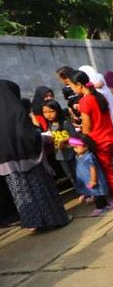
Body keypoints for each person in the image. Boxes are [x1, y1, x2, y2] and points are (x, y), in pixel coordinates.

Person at [0, 80, 70, 230]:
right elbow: (28, 137)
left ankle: (34, 223)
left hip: (7, 164)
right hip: (28, 159)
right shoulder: (17, 111)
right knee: (40, 190)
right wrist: (43, 137)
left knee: (22, 194)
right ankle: (55, 220)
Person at [70, 71, 113, 207]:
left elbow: (87, 125)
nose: (72, 89)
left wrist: (83, 136)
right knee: (112, 168)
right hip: (109, 136)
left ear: (79, 85)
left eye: (72, 86)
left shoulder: (85, 100)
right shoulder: (99, 96)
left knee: (108, 171)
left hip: (99, 140)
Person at [42, 100, 79, 191]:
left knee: (78, 173)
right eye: (45, 112)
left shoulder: (65, 123)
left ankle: (87, 192)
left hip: (72, 154)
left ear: (57, 111)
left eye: (51, 111)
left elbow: (76, 137)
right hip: (60, 155)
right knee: (69, 175)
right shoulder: (50, 125)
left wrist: (65, 140)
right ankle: (80, 191)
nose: (48, 115)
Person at [69, 136, 110, 217]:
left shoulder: (89, 156)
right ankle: (104, 205)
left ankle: (100, 207)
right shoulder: (78, 156)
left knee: (97, 193)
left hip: (92, 178)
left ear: (86, 146)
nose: (75, 149)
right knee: (95, 193)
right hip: (86, 178)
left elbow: (92, 168)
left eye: (76, 147)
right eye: (73, 147)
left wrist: (93, 180)